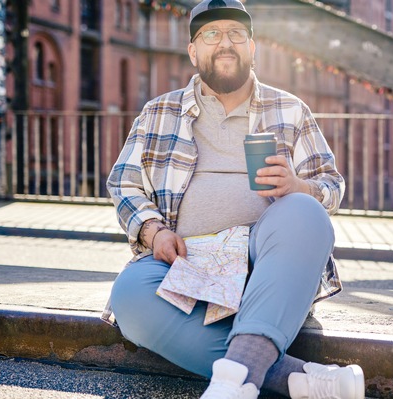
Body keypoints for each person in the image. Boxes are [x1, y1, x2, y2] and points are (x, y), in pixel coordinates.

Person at [102, 0, 364, 398]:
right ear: (193, 51)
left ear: (252, 46)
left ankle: (232, 386)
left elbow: (331, 184)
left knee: (305, 212)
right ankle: (288, 378)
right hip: (188, 266)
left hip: (265, 269)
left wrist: (300, 187)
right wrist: (154, 233)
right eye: (210, 34)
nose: (224, 43)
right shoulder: (158, 112)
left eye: (235, 34)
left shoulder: (291, 110)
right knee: (129, 292)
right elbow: (123, 183)